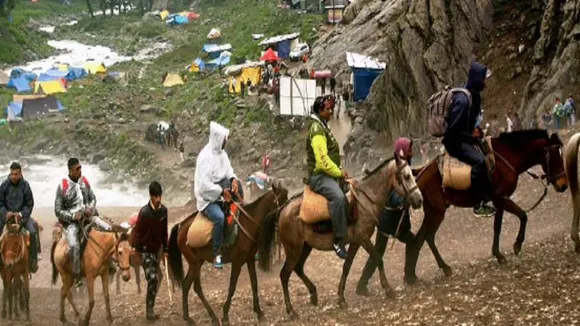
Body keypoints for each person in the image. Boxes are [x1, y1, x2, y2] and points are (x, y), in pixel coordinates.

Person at [356, 137, 416, 295]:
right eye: (409, 149)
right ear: (403, 150)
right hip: (387, 219)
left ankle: (408, 275)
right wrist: (403, 199)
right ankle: (362, 284)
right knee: (379, 251)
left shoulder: (404, 166)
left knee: (383, 249)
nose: (412, 152)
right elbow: (390, 195)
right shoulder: (394, 170)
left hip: (394, 219)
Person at [54, 158, 127, 286]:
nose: (80, 170)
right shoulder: (62, 186)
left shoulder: (84, 181)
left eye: (80, 167)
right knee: (74, 246)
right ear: (70, 170)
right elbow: (58, 210)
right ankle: (77, 275)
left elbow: (93, 198)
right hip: (72, 223)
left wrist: (90, 208)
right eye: (77, 169)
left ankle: (110, 263)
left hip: (89, 217)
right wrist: (72, 216)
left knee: (109, 229)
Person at [442, 61, 496, 218]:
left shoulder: (475, 96)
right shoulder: (463, 101)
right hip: (455, 143)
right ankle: (478, 204)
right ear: (478, 79)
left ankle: (487, 192)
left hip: (465, 138)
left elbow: (469, 122)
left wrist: (475, 131)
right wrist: (471, 136)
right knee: (479, 162)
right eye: (484, 79)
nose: (486, 83)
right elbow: (454, 131)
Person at [194, 122, 244, 269]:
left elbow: (229, 171)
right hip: (208, 199)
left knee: (240, 199)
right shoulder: (205, 157)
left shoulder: (222, 154)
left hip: (223, 191)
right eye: (224, 139)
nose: (226, 142)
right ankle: (217, 253)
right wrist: (222, 192)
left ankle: (240, 243)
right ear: (218, 139)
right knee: (219, 218)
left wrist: (234, 180)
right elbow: (204, 186)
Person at [306, 96, 348, 258]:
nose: (331, 111)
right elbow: (322, 161)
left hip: (327, 173)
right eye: (327, 109)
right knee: (338, 197)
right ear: (320, 111)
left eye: (331, 109)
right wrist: (338, 172)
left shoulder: (322, 125)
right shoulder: (317, 130)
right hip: (320, 176)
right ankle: (338, 240)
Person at [130, 181, 168, 321]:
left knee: (156, 279)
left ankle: (150, 306)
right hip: (145, 250)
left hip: (157, 249)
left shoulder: (164, 211)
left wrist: (166, 249)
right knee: (152, 278)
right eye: (156, 196)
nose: (158, 199)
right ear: (151, 196)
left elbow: (164, 231)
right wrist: (135, 248)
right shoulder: (144, 212)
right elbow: (137, 232)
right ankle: (149, 310)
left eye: (160, 196)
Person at [0, 162, 38, 273]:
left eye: (16, 174)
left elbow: (29, 203)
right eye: (12, 174)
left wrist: (21, 214)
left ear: (20, 173)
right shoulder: (4, 186)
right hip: (6, 217)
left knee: (32, 232)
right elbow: (0, 203)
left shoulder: (25, 186)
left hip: (22, 217)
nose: (14, 176)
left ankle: (33, 261)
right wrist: (6, 213)